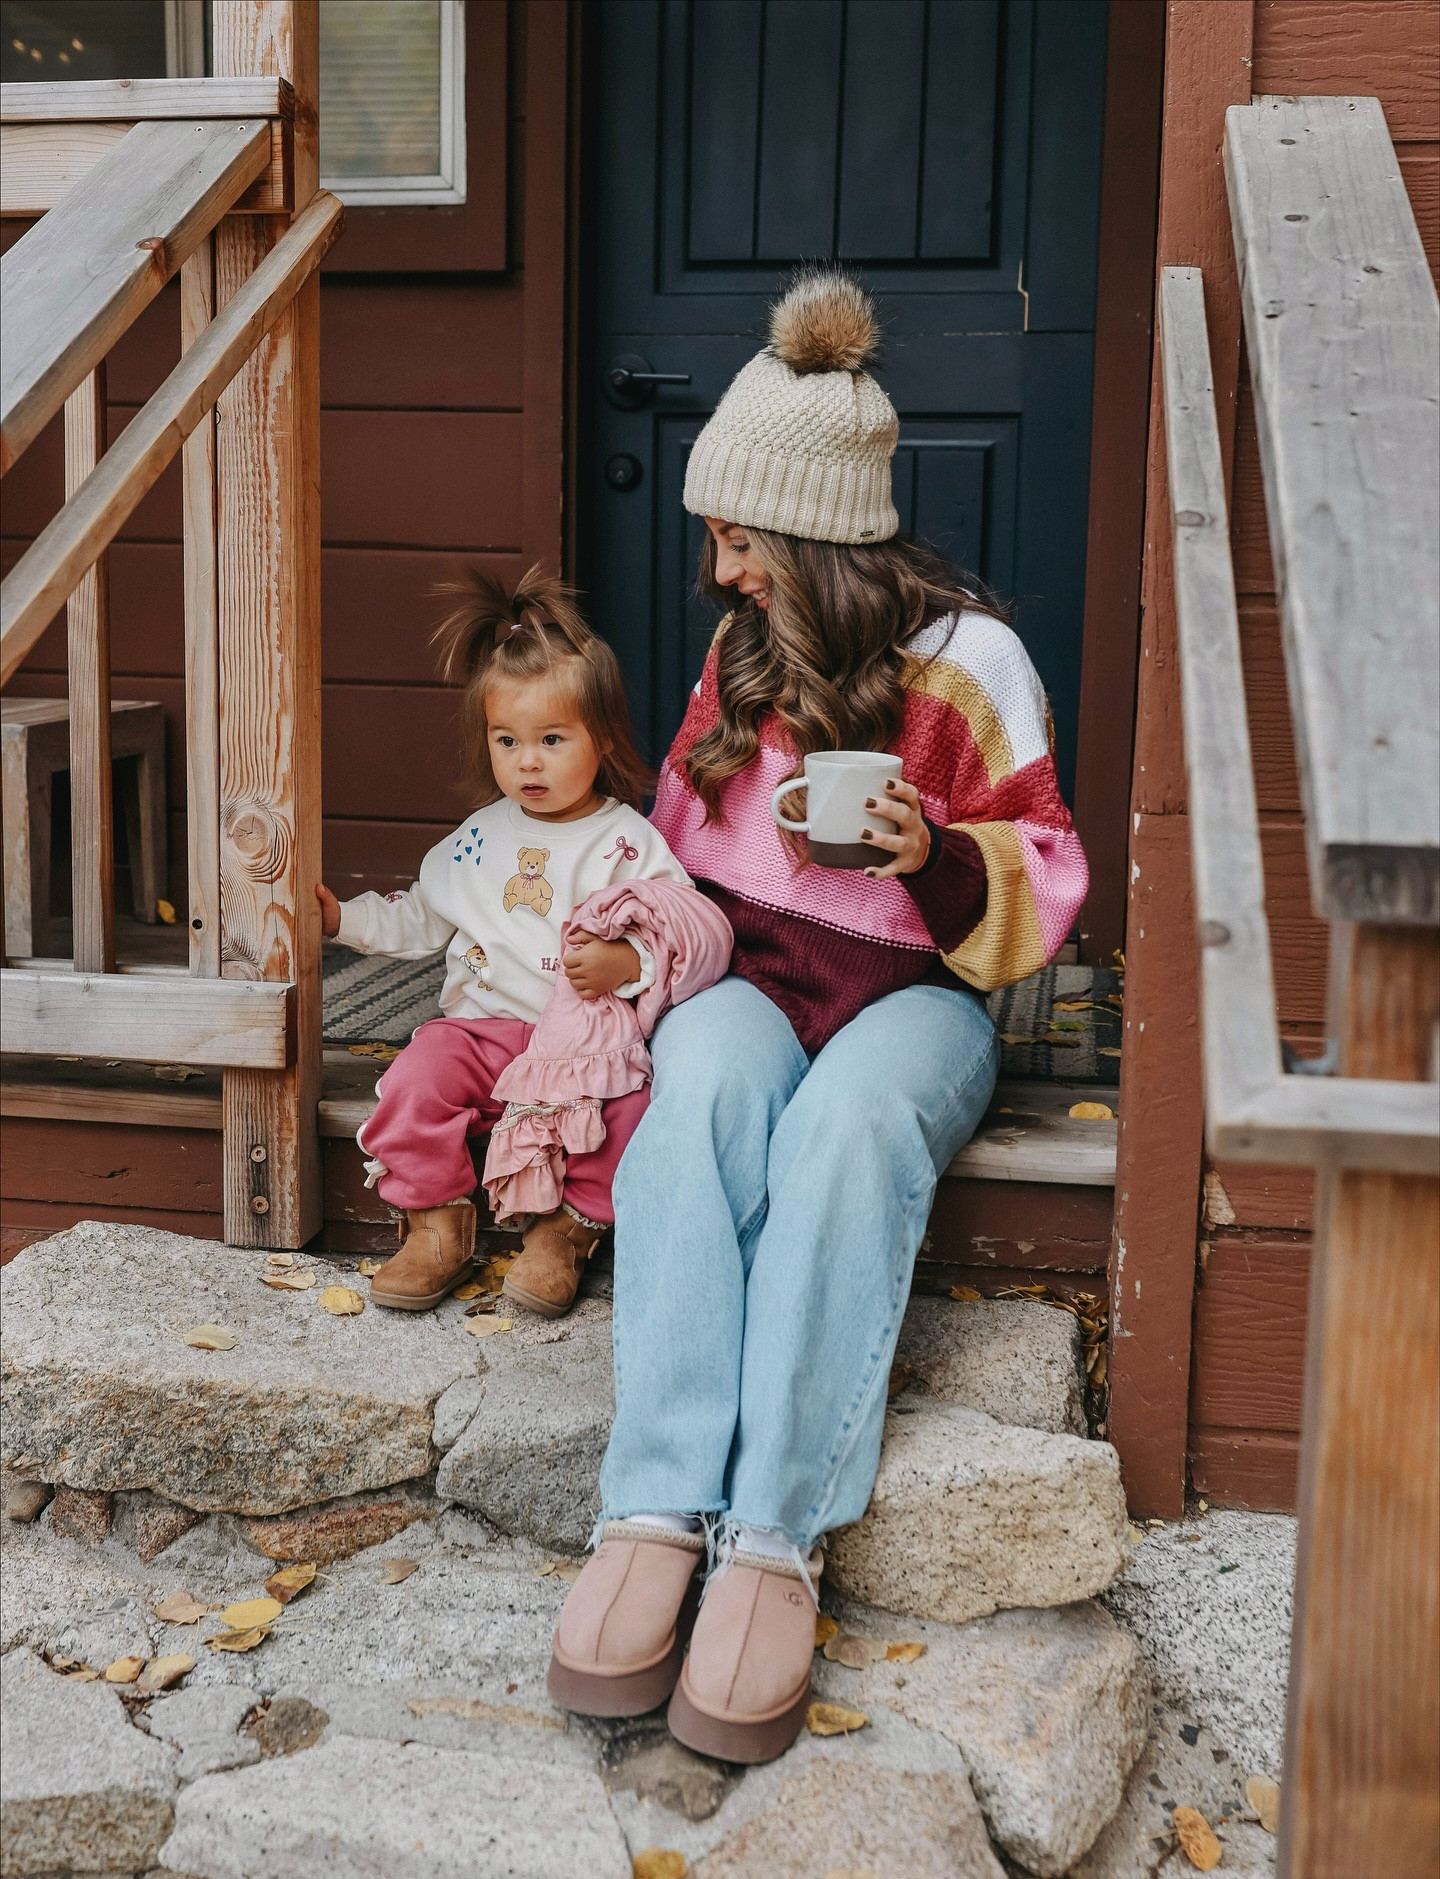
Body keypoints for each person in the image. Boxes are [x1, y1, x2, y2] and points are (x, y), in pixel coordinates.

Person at [548, 270, 1089, 1761]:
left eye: (736, 543)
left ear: (808, 534)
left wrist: (936, 855)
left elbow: (1047, 863)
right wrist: (628, 937)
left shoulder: (972, 664)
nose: (721, 573)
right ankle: (654, 1510)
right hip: (758, 976)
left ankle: (774, 1539)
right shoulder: (745, 658)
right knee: (700, 1098)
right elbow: (675, 838)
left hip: (922, 991)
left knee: (849, 1131)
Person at [317, 569, 693, 1319]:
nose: (528, 761)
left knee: (633, 1109)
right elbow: (421, 916)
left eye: (552, 740)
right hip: (481, 1034)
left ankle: (564, 1233)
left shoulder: (626, 841)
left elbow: (680, 931)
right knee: (416, 1077)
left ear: (604, 737)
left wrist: (628, 964)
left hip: (579, 1046)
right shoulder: (479, 839)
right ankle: (437, 1224)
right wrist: (339, 922)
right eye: (507, 740)